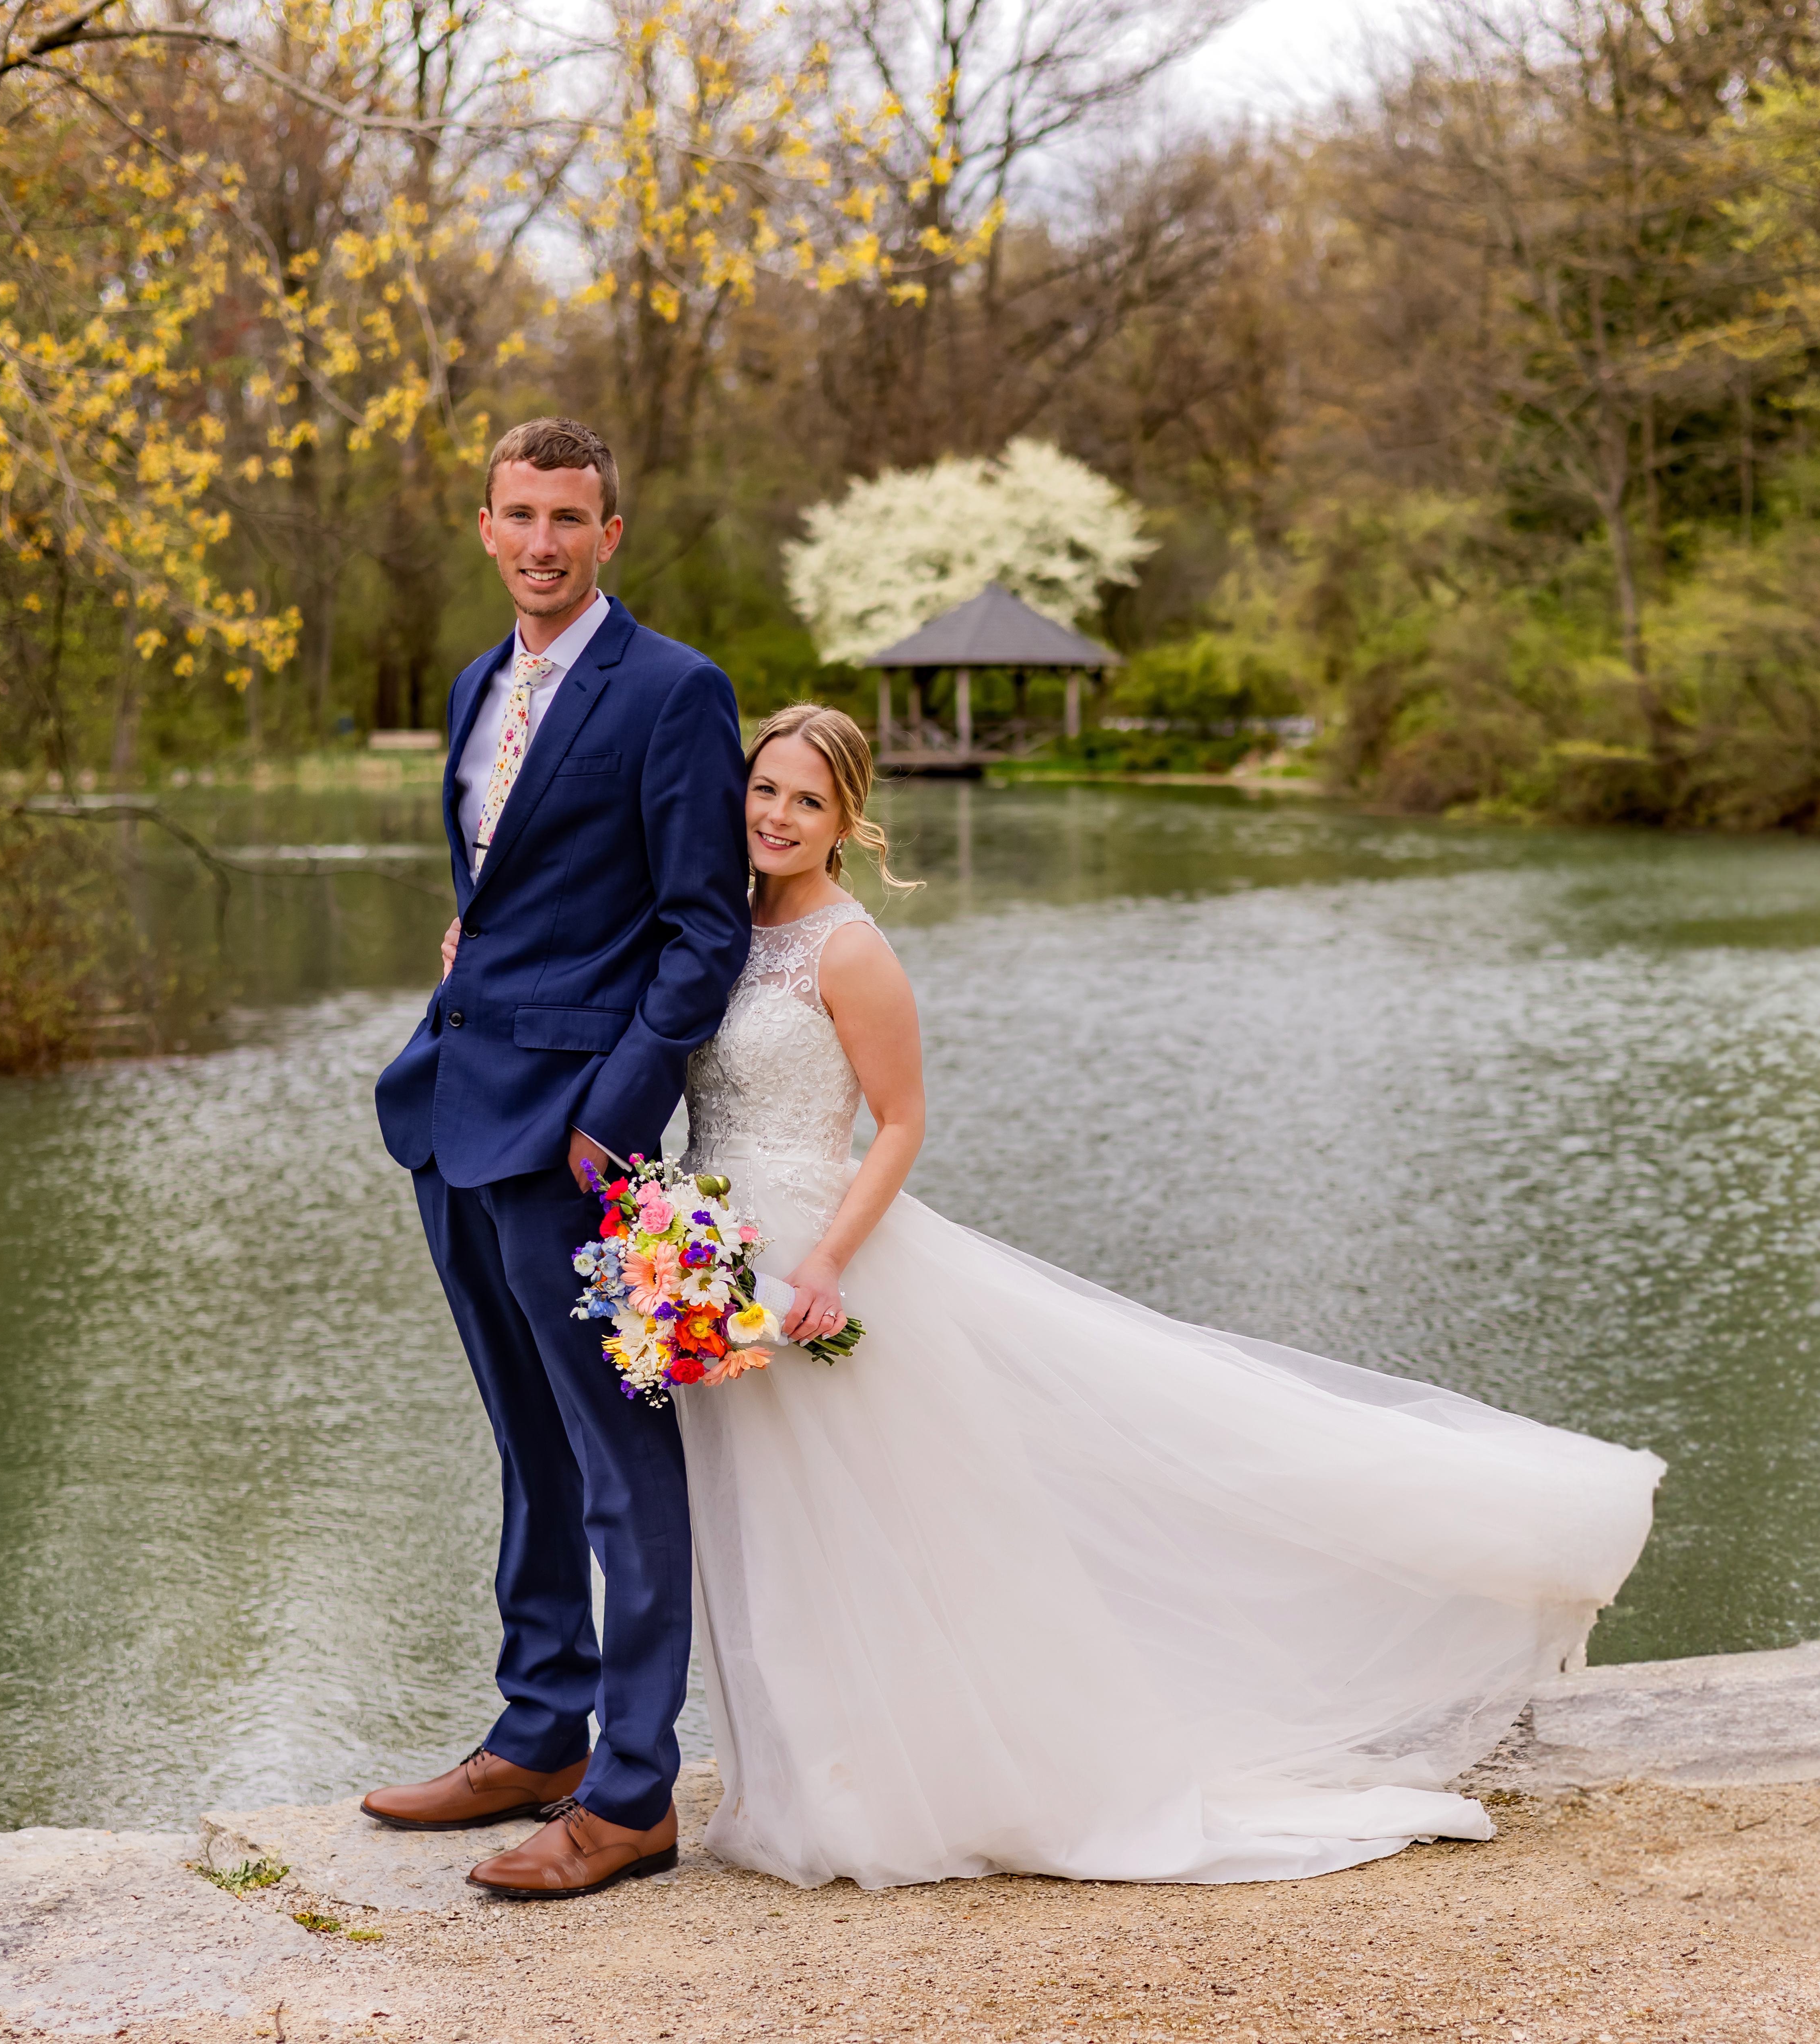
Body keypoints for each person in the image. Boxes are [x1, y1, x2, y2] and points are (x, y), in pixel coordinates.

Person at [671, 703, 1664, 1889]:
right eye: (764, 789)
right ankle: (801, 1782)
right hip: (717, 1262)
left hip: (823, 1271)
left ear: (848, 820)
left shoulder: (850, 947)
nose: (777, 816)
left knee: (877, 1533)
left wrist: (827, 1258)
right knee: (768, 1531)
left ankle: (914, 1790)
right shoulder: (715, 923)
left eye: (807, 800)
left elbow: (902, 1122)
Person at [365, 418, 751, 1898]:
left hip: (574, 1136)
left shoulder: (673, 692)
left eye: (568, 518)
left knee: (616, 1462)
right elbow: (504, 891)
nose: (541, 540)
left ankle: (637, 1790)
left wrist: (615, 1113)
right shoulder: (474, 684)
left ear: (610, 534)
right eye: (519, 514)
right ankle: (540, 1730)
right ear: (484, 526)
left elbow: (703, 928)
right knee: (525, 1442)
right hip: (453, 1112)